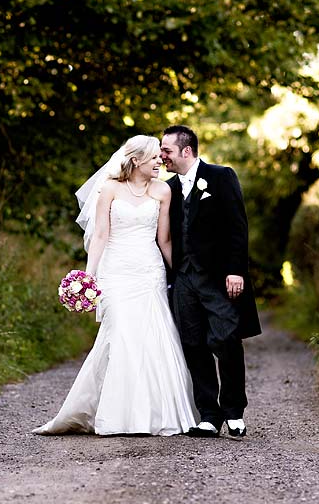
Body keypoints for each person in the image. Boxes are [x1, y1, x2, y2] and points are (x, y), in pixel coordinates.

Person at [33, 135, 198, 436]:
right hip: (116, 273)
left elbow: (164, 239)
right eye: (154, 158)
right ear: (136, 160)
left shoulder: (162, 190)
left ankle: (153, 415)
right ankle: (119, 416)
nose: (160, 161)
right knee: (121, 335)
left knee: (153, 338)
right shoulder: (109, 189)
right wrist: (88, 277)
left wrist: (184, 275)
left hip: (149, 273)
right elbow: (100, 236)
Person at [160, 125, 261, 438]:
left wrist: (236, 270)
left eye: (167, 151)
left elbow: (237, 227)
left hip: (219, 278)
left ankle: (234, 412)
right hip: (184, 278)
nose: (162, 156)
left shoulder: (221, 177)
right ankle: (208, 414)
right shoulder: (167, 189)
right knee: (193, 344)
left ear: (186, 151)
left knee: (227, 339)